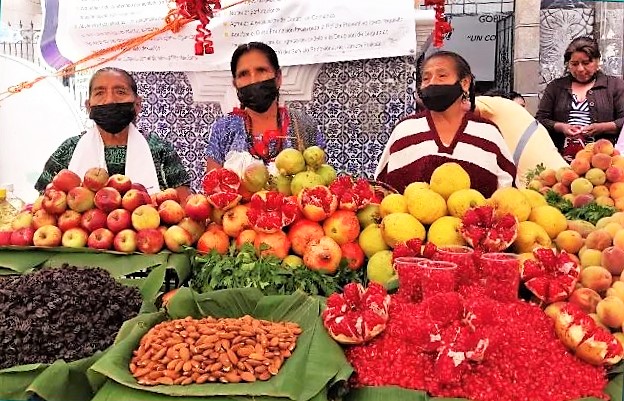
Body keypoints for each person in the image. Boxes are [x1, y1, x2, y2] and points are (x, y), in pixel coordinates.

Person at [35, 67, 191, 200]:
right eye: (100, 93)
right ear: (89, 106)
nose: (110, 100)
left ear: (137, 105)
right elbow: (43, 205)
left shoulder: (159, 149)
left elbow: (183, 207)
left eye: (120, 92)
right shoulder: (69, 149)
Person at [375, 51, 516, 197]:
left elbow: (507, 195)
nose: (432, 82)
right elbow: (381, 191)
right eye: (426, 78)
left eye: (442, 76)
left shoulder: (488, 133)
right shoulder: (404, 131)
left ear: (465, 83)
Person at [205, 42, 325, 171]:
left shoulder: (303, 124)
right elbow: (212, 186)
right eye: (244, 74)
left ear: (278, 78)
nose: (253, 80)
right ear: (235, 83)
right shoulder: (224, 128)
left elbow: (320, 176)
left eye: (261, 70)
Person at [536, 36, 624, 162]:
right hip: (559, 160)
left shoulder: (615, 86)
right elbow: (540, 120)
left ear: (597, 61)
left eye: (586, 63)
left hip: (604, 162)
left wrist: (602, 127)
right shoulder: (556, 87)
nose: (580, 69)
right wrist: (561, 127)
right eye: (574, 64)